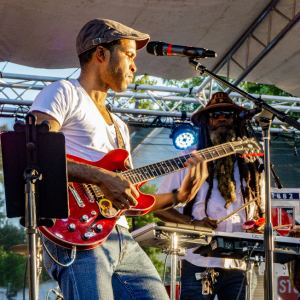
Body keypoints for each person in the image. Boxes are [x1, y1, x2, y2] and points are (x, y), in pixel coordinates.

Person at [30, 19, 208, 300]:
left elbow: (129, 198)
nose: (135, 66)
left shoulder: (120, 127)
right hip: (77, 233)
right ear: (101, 54)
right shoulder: (63, 92)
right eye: (129, 55)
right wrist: (101, 177)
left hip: (120, 234)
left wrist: (179, 195)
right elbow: (35, 154)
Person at [154, 92, 265, 300]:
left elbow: (262, 209)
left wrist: (259, 224)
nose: (221, 118)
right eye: (215, 115)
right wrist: (194, 223)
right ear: (206, 122)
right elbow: (159, 207)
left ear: (237, 121)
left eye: (227, 114)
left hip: (241, 264)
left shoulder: (252, 164)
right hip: (198, 260)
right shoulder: (187, 159)